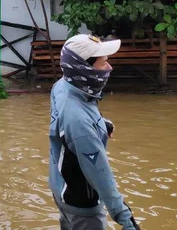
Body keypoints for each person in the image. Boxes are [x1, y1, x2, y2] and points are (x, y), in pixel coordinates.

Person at [49, 34, 140, 230]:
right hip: (82, 203)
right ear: (84, 69)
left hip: (60, 185)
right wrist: (126, 219)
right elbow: (101, 177)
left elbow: (66, 125)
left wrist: (101, 124)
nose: (109, 68)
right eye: (103, 63)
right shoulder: (80, 123)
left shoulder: (63, 86)